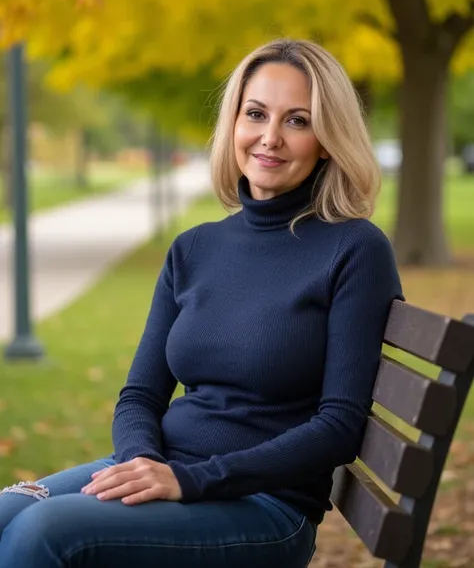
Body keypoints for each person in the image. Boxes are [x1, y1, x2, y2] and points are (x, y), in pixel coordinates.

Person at [0, 38, 403, 568]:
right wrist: (143, 463)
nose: (270, 137)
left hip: (264, 506)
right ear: (233, 123)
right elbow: (140, 393)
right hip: (167, 471)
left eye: (298, 121)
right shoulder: (194, 248)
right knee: (8, 511)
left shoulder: (354, 249)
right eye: (255, 114)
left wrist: (188, 480)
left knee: (43, 533)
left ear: (328, 140)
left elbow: (338, 427)